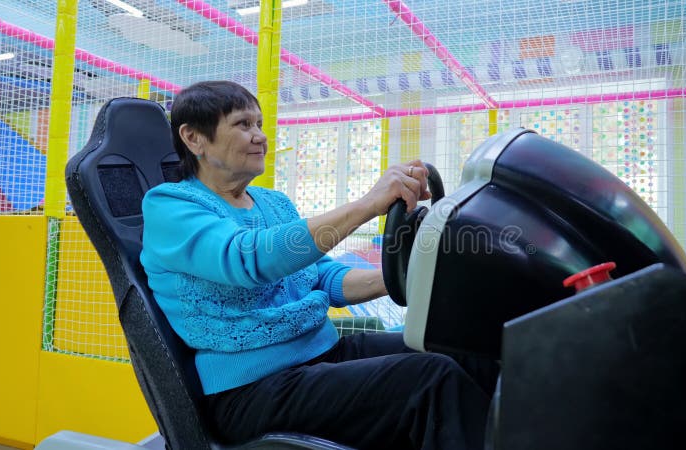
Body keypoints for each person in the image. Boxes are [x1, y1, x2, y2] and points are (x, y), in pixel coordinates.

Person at [140, 80, 499, 450]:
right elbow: (248, 259)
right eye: (243, 124)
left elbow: (323, 278)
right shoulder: (169, 206)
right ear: (194, 138)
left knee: (461, 350)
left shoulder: (273, 203)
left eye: (259, 124)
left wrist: (413, 277)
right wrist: (367, 205)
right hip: (250, 390)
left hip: (320, 355)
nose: (259, 136)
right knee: (432, 379)